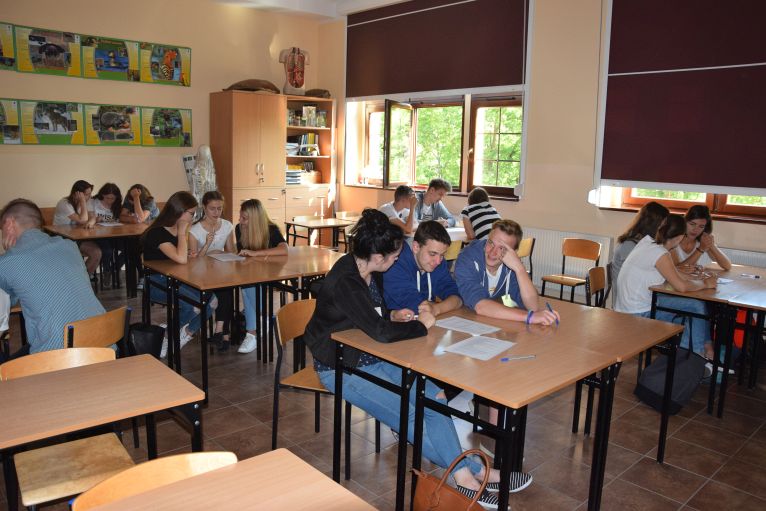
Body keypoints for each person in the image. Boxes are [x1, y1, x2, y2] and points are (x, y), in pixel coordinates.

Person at [304, 209, 531, 505]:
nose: (398, 260)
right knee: (410, 414)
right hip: (340, 366)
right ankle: (468, 475)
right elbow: (379, 331)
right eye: (394, 256)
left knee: (434, 398)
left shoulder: (370, 270)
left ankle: (470, 472)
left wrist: (392, 314)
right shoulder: (346, 279)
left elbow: (372, 315)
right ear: (378, 256)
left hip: (373, 354)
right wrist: (420, 325)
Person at [0, 198, 105, 356]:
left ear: (9, 224)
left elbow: (7, 302)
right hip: (105, 344)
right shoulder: (70, 246)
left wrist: (9, 254)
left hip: (60, 356)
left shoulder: (7, 262)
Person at [614, 215, 718, 359]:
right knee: (695, 311)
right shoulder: (661, 253)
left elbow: (673, 274)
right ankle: (697, 357)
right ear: (680, 237)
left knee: (695, 309)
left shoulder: (647, 243)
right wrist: (706, 284)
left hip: (631, 307)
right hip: (637, 314)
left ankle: (694, 355)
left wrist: (699, 278)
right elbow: (681, 287)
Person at [142, 191, 216, 358]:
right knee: (195, 306)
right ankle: (167, 336)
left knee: (212, 302)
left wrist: (189, 254)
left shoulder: (178, 231)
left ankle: (184, 333)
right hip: (156, 283)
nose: (193, 217)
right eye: (191, 213)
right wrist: (183, 233)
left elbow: (180, 259)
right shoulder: (157, 233)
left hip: (176, 279)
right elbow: (180, 259)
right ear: (179, 212)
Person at [455, 219, 559, 325]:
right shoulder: (467, 258)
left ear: (513, 252)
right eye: (491, 243)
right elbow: (481, 306)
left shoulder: (511, 263)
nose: (493, 252)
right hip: (460, 316)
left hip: (487, 319)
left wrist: (519, 269)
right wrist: (529, 317)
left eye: (502, 248)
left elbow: (533, 306)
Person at [235, 198, 288, 354]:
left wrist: (255, 253)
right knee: (247, 284)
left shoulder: (271, 229)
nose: (240, 221)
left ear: (255, 219)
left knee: (247, 285)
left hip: (270, 272)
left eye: (244, 218)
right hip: (251, 273)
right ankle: (261, 322)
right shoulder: (239, 228)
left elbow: (284, 249)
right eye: (240, 216)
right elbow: (243, 255)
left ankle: (254, 330)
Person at [383, 220, 462, 317]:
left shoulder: (438, 262)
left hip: (428, 321)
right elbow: (415, 305)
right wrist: (438, 307)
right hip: (394, 323)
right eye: (432, 254)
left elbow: (457, 298)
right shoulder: (395, 261)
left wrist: (436, 309)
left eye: (442, 255)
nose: (438, 261)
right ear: (416, 247)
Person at [188, 191, 236, 351]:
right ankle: (224, 334)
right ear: (204, 207)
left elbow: (231, 252)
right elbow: (193, 262)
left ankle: (220, 331)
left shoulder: (227, 226)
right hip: (201, 274)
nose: (216, 212)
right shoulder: (195, 230)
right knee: (225, 291)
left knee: (227, 288)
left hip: (220, 270)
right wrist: (208, 246)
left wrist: (221, 254)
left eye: (219, 208)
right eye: (212, 209)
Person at [611, 201, 669, 288]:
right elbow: (652, 270)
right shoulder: (628, 245)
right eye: (661, 226)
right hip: (627, 293)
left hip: (635, 289)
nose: (662, 230)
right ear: (654, 225)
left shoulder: (643, 242)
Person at [53, 180, 102, 277]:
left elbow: (92, 217)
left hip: (78, 237)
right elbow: (83, 220)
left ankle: (83, 279)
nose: (90, 197)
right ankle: (79, 279)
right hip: (62, 237)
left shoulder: (87, 202)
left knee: (97, 252)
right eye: (87, 195)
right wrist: (83, 201)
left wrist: (92, 221)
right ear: (77, 194)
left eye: (90, 194)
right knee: (95, 252)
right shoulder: (64, 203)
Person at [671, 205, 732, 271]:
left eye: (701, 226)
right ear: (684, 222)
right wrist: (700, 249)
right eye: (692, 224)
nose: (695, 229)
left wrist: (712, 245)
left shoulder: (703, 241)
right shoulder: (672, 240)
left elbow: (727, 266)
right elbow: (676, 270)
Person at [89, 182, 124, 286]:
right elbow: (88, 219)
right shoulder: (93, 202)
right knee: (107, 250)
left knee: (129, 248)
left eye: (113, 198)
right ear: (102, 195)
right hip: (97, 235)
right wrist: (95, 220)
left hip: (114, 234)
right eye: (107, 198)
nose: (110, 200)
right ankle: (107, 272)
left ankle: (115, 269)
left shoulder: (117, 205)